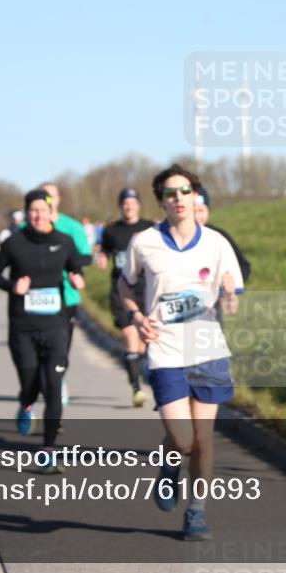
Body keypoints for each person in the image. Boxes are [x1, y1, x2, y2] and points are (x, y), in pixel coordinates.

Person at [119, 164, 243, 541]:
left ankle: (196, 512)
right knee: (183, 439)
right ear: (161, 201)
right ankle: (169, 467)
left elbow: (233, 305)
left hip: (207, 350)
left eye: (185, 191)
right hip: (166, 351)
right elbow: (125, 289)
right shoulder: (143, 242)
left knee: (203, 440)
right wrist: (139, 318)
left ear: (195, 196)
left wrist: (225, 296)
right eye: (170, 193)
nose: (179, 199)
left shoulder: (217, 243)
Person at [0, 190, 86, 473]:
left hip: (55, 325)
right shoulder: (14, 243)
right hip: (23, 328)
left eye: (43, 210)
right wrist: (12, 286)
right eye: (33, 210)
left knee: (53, 389)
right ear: (27, 213)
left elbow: (76, 268)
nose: (38, 215)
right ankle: (26, 404)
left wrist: (78, 279)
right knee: (31, 386)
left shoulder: (64, 242)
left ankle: (48, 452)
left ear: (51, 211)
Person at [95, 187, 156, 407]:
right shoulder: (111, 231)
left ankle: (145, 380)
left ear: (138, 204)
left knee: (143, 346)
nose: (129, 206)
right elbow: (103, 250)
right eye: (125, 203)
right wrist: (101, 257)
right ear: (120, 206)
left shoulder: (150, 228)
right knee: (132, 338)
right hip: (121, 291)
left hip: (147, 290)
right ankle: (137, 389)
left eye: (132, 202)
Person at [39, 184, 93, 405]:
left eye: (51, 195)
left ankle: (56, 381)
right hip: (35, 300)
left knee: (60, 349)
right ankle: (39, 388)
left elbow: (86, 256)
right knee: (36, 353)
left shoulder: (71, 227)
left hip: (66, 297)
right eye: (43, 196)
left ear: (58, 199)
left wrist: (67, 264)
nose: (47, 200)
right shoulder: (27, 227)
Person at [194, 186, 251, 283]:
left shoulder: (220, 236)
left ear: (208, 211)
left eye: (201, 210)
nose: (196, 217)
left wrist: (230, 281)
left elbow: (244, 267)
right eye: (192, 211)